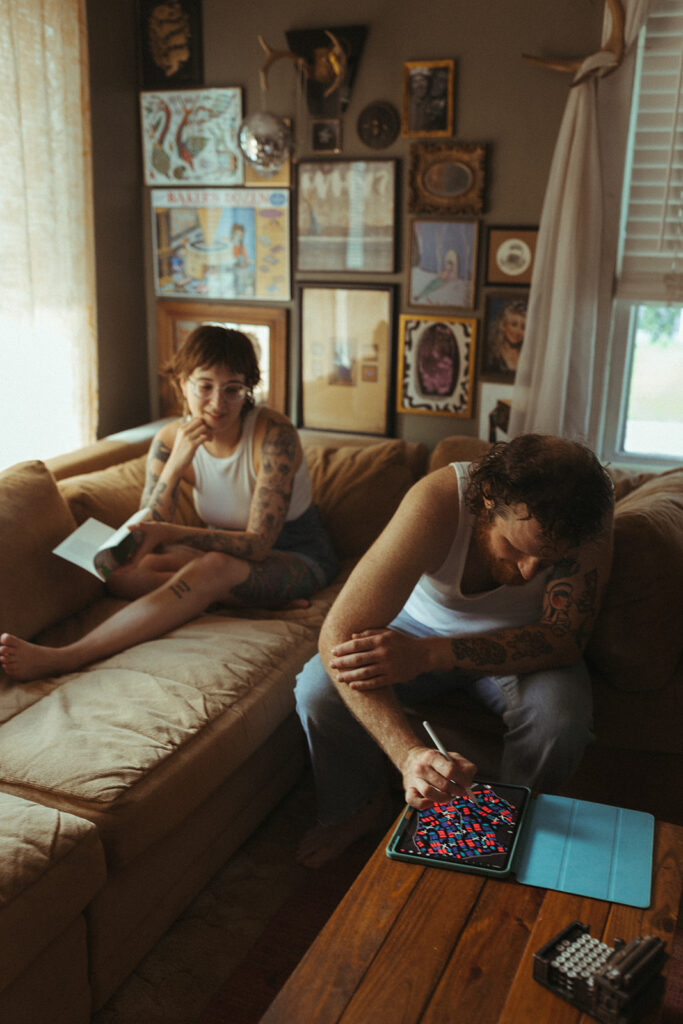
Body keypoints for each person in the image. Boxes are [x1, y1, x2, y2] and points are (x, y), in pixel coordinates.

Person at [294, 434, 614, 866]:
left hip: (523, 645)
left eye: (550, 562)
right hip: (418, 626)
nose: (529, 572)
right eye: (517, 548)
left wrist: (429, 655)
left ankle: (512, 827)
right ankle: (358, 809)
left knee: (559, 721)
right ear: (487, 500)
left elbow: (563, 639)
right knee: (318, 687)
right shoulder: (439, 499)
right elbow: (338, 632)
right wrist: (409, 756)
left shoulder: (586, 519)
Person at [0, 326, 338, 682]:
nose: (217, 403)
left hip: (298, 557)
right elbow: (149, 524)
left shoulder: (273, 435)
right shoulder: (170, 440)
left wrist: (170, 533)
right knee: (121, 576)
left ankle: (69, 656)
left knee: (212, 568)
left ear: (247, 390)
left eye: (233, 390)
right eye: (204, 386)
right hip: (227, 561)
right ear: (182, 384)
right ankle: (241, 600)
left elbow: (257, 545)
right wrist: (176, 464)